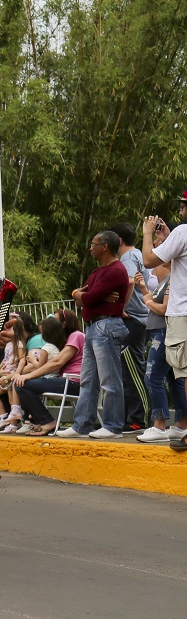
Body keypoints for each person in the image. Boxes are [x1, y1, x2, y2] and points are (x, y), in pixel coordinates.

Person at [57, 231, 131, 438]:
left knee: (109, 379)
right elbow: (82, 297)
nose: (90, 248)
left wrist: (85, 296)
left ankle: (113, 425)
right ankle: (82, 424)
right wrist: (77, 294)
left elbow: (89, 298)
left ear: (105, 247)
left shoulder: (115, 271)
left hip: (106, 326)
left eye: (94, 244)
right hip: (93, 327)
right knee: (88, 379)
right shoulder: (98, 272)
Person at [142, 188, 187, 449]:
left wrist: (148, 233)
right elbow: (177, 264)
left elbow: (149, 260)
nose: (180, 211)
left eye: (183, 206)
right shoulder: (179, 235)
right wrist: (168, 239)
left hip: (182, 314)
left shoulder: (183, 231)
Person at [133, 262, 187, 442]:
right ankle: (181, 424)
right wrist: (143, 289)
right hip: (160, 332)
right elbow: (152, 299)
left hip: (164, 332)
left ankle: (159, 425)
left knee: (152, 377)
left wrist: (147, 301)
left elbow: (163, 309)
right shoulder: (166, 279)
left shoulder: (173, 279)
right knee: (174, 379)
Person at [12, 310, 85, 435]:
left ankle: (46, 421)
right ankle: (36, 421)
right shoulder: (67, 339)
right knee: (22, 383)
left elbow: (57, 362)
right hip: (66, 381)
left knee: (23, 384)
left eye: (55, 320)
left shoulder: (77, 335)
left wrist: (29, 375)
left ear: (64, 323)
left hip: (74, 382)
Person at [109, 222, 151, 432]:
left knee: (132, 370)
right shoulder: (138, 255)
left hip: (133, 319)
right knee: (128, 369)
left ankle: (137, 419)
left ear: (119, 241)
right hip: (139, 318)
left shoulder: (128, 258)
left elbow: (130, 281)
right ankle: (130, 417)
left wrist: (120, 308)